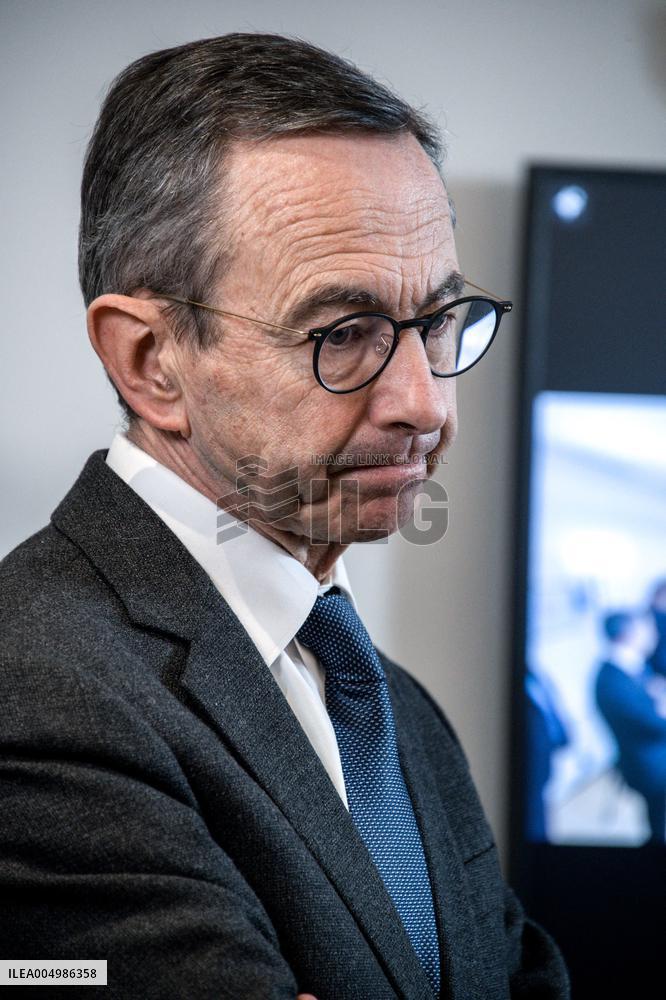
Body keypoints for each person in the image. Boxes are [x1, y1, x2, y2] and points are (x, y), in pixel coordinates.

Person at [0, 34, 570, 999]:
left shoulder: (398, 709)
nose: (424, 403)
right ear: (149, 361)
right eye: (344, 334)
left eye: (437, 323)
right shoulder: (38, 689)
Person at [595, 610, 666, 844]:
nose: (654, 634)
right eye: (648, 629)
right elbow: (648, 724)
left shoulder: (630, 666)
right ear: (630, 634)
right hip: (648, 765)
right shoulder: (611, 680)